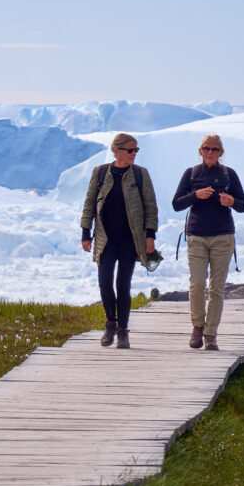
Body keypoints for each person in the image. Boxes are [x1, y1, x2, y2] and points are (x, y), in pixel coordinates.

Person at [81, 133, 158, 349]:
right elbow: (89, 204)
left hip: (129, 240)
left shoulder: (140, 174)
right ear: (116, 150)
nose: (133, 154)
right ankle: (109, 324)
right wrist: (85, 233)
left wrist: (150, 237)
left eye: (136, 150)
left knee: (123, 284)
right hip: (105, 239)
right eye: (129, 150)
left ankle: (123, 330)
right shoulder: (101, 172)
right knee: (104, 282)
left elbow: (151, 207)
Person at [172, 134, 244, 350]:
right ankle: (197, 326)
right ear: (200, 150)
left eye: (215, 149)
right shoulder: (191, 174)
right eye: (206, 148)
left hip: (223, 236)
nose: (210, 152)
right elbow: (177, 204)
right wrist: (196, 195)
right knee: (197, 284)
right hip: (196, 236)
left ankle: (211, 334)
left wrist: (232, 201)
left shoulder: (229, 174)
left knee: (216, 288)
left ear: (221, 153)